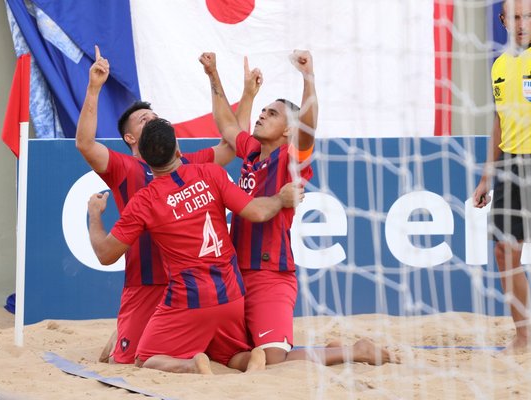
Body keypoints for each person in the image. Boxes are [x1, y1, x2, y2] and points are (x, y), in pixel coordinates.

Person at [201, 51, 396, 365]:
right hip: (235, 273)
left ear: (288, 130)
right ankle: (332, 348)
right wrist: (213, 74)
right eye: (263, 110)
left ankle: (356, 351)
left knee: (273, 359)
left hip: (270, 275)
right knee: (236, 354)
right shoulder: (252, 152)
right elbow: (226, 125)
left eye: (272, 114)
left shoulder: (293, 158)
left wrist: (308, 77)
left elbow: (309, 127)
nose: (262, 115)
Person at [87, 118, 303, 373]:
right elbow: (257, 211)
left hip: (188, 301)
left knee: (144, 360)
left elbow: (105, 254)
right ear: (178, 149)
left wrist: (95, 215)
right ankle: (250, 358)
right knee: (228, 355)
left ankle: (191, 365)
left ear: (143, 158)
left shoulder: (145, 200)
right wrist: (280, 198)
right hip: (231, 296)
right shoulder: (210, 173)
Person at [76, 46, 248, 363]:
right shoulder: (124, 168)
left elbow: (231, 145)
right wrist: (94, 86)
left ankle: (128, 336)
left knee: (222, 354)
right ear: (130, 138)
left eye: (155, 118)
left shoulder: (185, 164)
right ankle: (124, 335)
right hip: (146, 283)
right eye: (144, 120)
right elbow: (85, 143)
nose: (153, 122)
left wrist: (215, 77)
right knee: (125, 362)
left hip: (188, 287)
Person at [472, 0, 531, 354]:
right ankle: (525, 336)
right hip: (510, 166)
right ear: (503, 20)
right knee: (504, 251)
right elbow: (497, 121)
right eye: (515, 17)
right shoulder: (499, 65)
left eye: (528, 16)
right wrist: (485, 177)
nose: (522, 23)